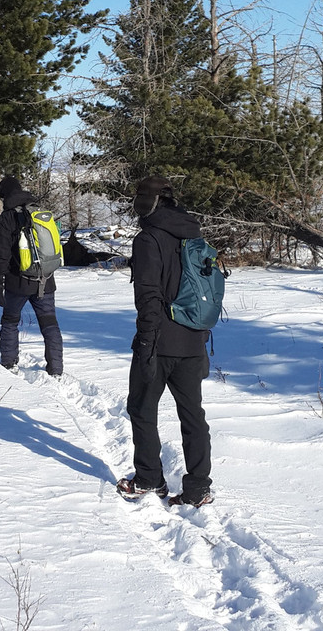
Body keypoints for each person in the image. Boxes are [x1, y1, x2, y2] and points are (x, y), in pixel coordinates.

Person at [117, 176, 213, 507]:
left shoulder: (148, 240)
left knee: (142, 408)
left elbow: (148, 296)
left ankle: (148, 479)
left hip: (159, 341)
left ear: (147, 202)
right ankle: (199, 487)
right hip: (193, 340)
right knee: (192, 414)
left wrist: (146, 343)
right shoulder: (192, 233)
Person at [0, 175, 64, 377]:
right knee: (50, 324)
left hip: (17, 283)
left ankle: (9, 363)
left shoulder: (5, 219)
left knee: (10, 321)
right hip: (46, 280)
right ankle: (56, 369)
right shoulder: (39, 212)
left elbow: (1, 254)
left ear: (3, 196)